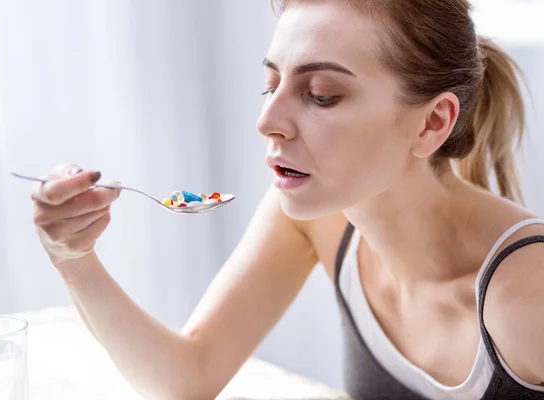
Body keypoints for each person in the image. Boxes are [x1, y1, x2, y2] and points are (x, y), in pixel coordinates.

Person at [29, 0, 544, 398]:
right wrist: (74, 259)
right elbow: (185, 379)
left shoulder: (526, 295)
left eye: (320, 94)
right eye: (271, 83)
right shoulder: (315, 218)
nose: (267, 121)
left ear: (432, 123)